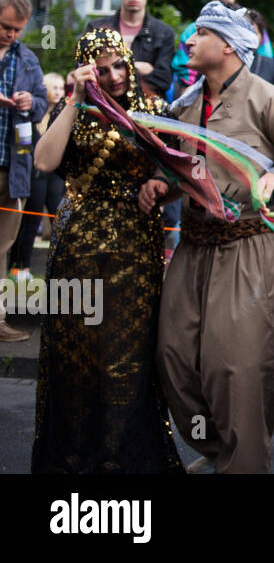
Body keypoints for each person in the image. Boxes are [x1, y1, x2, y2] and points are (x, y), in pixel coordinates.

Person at [155, 1, 274, 473]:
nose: (188, 41)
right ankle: (218, 452)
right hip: (193, 244)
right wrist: (159, 185)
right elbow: (179, 168)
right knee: (175, 355)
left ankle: (244, 462)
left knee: (237, 366)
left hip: (249, 247)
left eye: (199, 34)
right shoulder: (184, 104)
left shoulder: (268, 100)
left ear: (227, 45)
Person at [29, 29, 184, 473]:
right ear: (85, 69)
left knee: (126, 358)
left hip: (135, 247)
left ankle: (123, 460)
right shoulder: (74, 109)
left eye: (120, 64)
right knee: (75, 354)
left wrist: (160, 186)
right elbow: (44, 162)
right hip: (77, 243)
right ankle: (74, 459)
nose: (114, 76)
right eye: (102, 68)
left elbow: (181, 174)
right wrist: (77, 98)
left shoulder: (153, 110)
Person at [0, 0, 49, 342]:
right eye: (5, 27)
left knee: (2, 245)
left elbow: (44, 104)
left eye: (17, 29)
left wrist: (32, 102)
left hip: (12, 167)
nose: (10, 35)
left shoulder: (28, 60)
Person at [172, 0, 274, 96]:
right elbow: (185, 73)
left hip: (247, 93)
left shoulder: (250, 25)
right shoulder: (192, 30)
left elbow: (265, 65)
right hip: (202, 93)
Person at [85, 0, 176, 99]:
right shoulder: (96, 29)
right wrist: (135, 66)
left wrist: (116, 76)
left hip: (148, 112)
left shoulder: (163, 33)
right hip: (105, 107)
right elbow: (86, 72)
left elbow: (163, 80)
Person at [8, 72, 65, 283]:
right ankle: (20, 266)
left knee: (59, 219)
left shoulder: (63, 115)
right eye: (55, 88)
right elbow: (21, 145)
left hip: (55, 175)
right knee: (30, 222)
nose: (59, 92)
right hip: (35, 175)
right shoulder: (30, 114)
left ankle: (61, 267)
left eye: (61, 88)